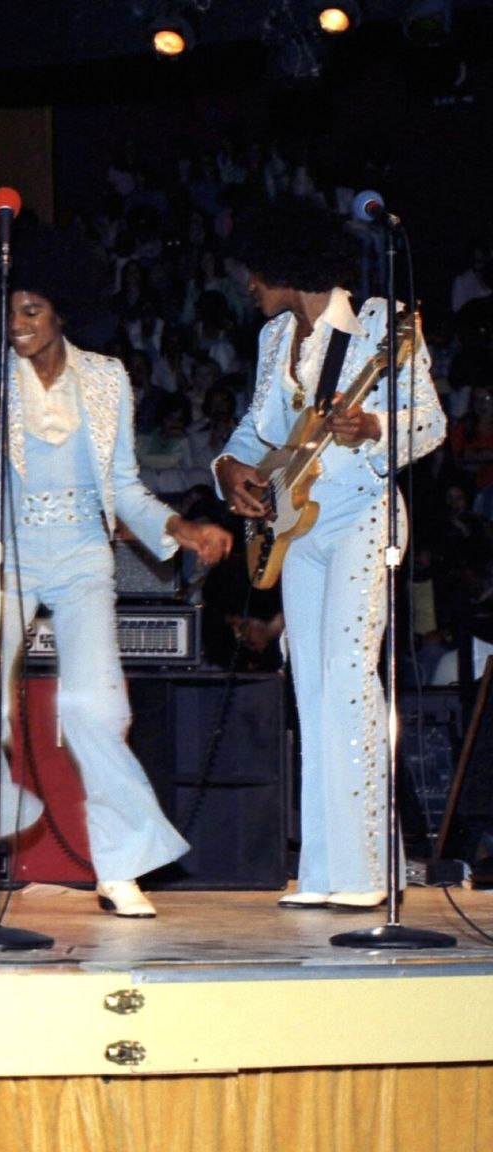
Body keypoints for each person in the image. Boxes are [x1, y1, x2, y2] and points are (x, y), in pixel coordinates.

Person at [0, 227, 232, 920]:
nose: (17, 325)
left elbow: (127, 490)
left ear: (63, 311)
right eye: (10, 311)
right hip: (10, 557)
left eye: (33, 311)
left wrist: (180, 527)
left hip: (81, 556)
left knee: (94, 710)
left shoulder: (105, 379)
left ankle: (119, 865)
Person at [213, 203, 446, 910]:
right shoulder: (274, 338)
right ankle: (324, 870)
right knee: (310, 685)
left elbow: (431, 424)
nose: (248, 284)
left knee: (349, 676)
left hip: (360, 517)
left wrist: (374, 424)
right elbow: (258, 432)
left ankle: (372, 867)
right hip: (297, 530)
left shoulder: (379, 323)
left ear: (285, 263)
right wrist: (229, 470)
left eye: (255, 270)